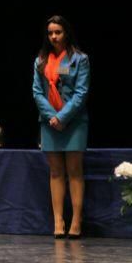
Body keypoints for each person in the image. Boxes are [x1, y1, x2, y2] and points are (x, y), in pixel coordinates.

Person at [32, 15, 90, 239]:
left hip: (73, 122)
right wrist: (51, 117)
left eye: (58, 32)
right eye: (50, 33)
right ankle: (58, 220)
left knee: (74, 171)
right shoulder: (40, 61)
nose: (54, 36)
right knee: (56, 172)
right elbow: (37, 92)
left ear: (66, 33)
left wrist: (62, 117)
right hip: (49, 122)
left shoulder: (79, 59)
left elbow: (81, 92)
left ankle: (76, 220)